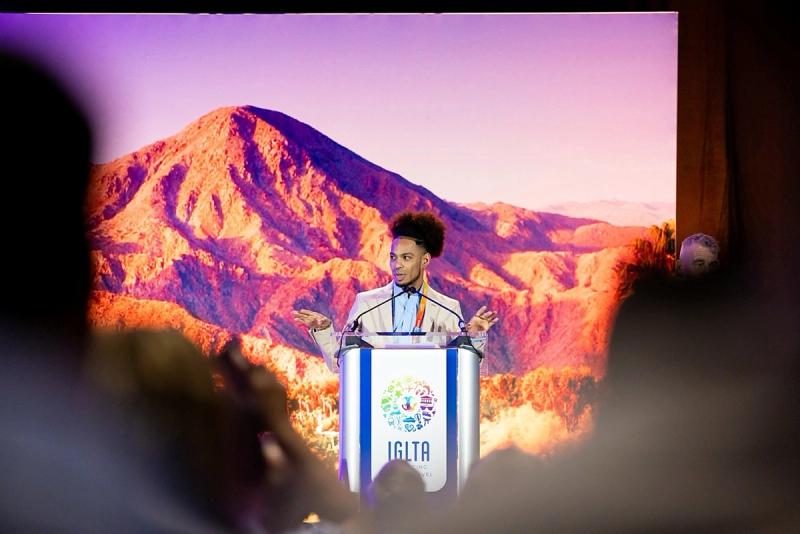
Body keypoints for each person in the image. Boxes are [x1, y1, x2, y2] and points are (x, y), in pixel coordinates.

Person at [293, 211, 499, 371]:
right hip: (378, 407)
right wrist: (324, 330)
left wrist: (474, 336)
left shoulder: (447, 308)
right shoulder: (366, 304)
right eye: (393, 257)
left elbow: (462, 369)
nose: (397, 265)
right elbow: (341, 363)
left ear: (425, 260)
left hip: (427, 407)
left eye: (406, 258)